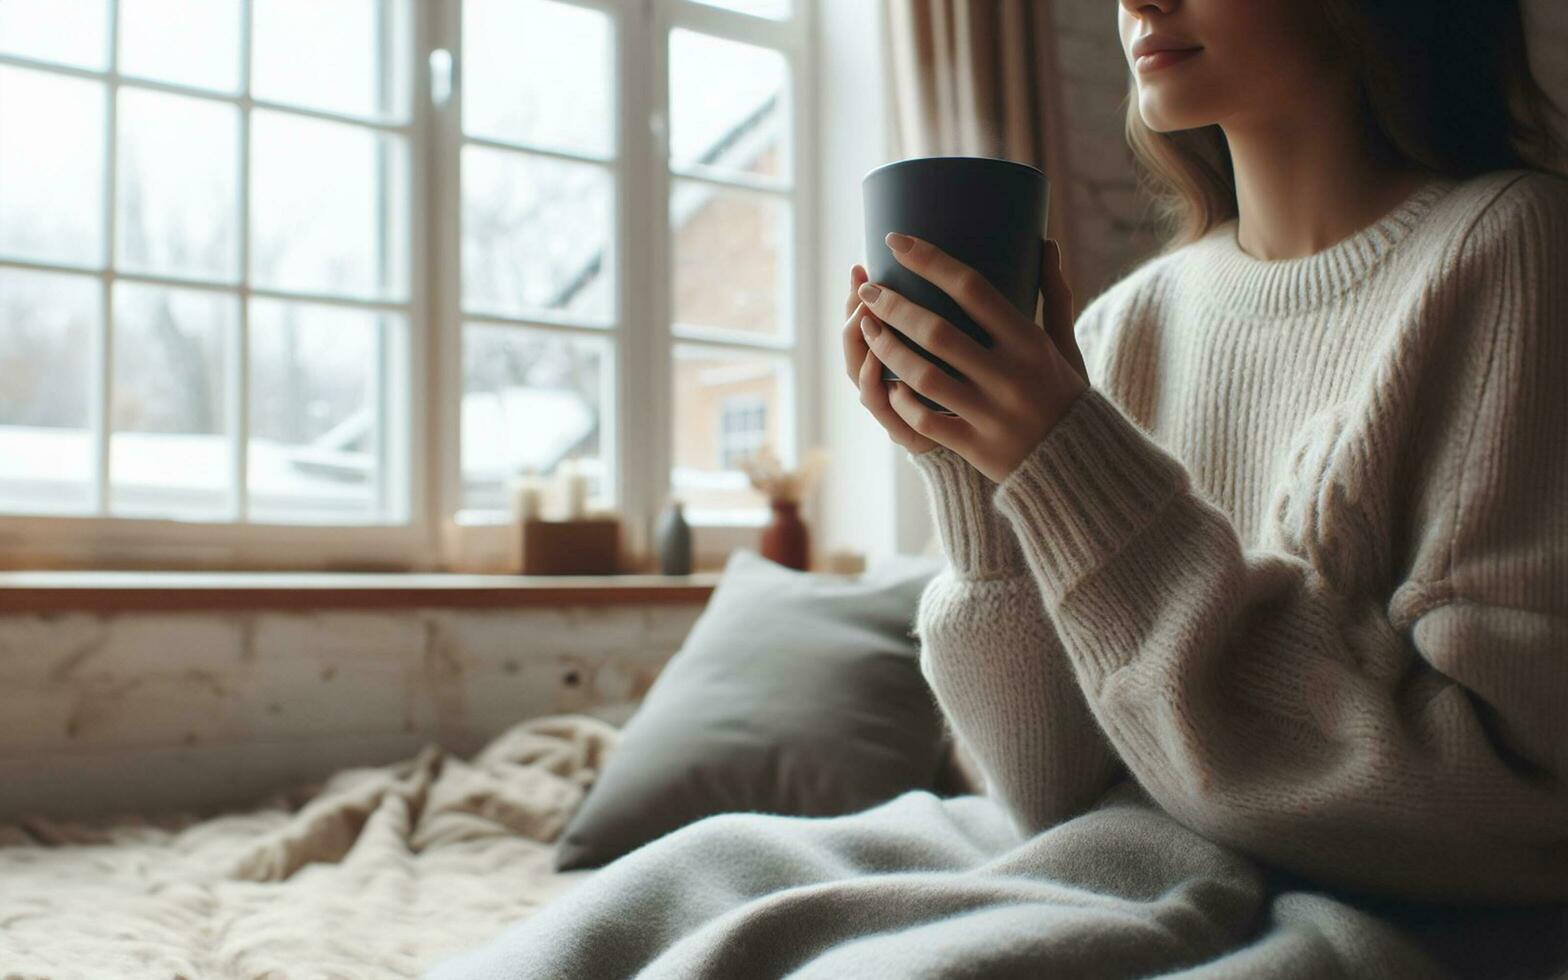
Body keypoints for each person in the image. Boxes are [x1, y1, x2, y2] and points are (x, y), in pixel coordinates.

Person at [429, 1, 1568, 976]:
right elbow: (1044, 789)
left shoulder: (1506, 248)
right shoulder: (1133, 320)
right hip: (1092, 848)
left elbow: (1517, 795)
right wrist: (979, 492)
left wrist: (1068, 462)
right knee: (673, 883)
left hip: (1348, 892)